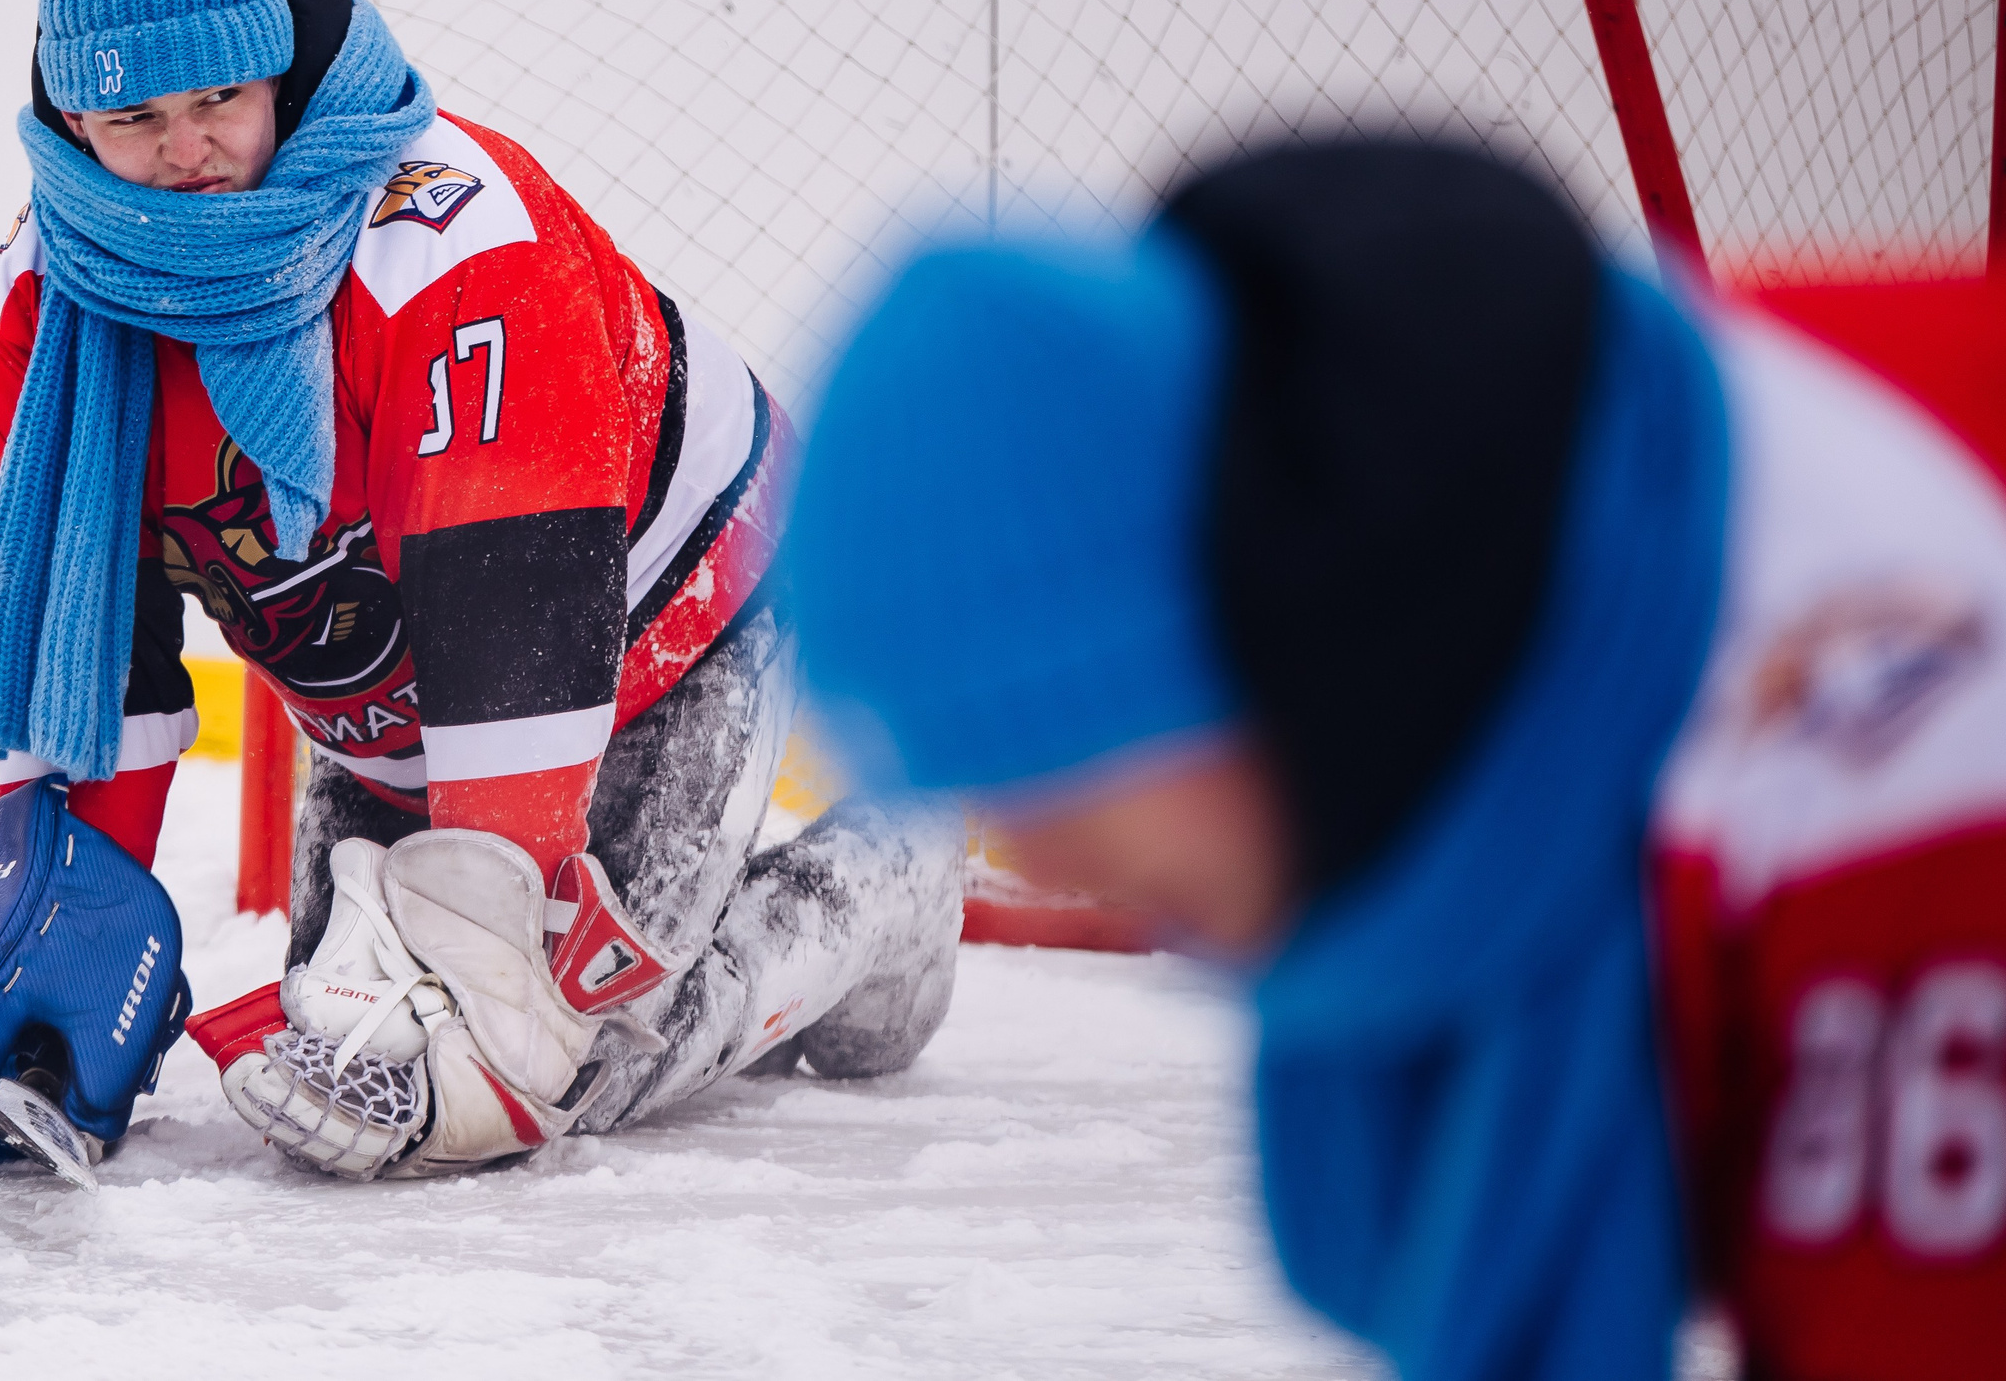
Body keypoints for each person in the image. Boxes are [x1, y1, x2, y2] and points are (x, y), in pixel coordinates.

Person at [0, 0, 960, 1182]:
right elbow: (91, 653)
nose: (187, 151)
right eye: (135, 116)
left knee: (560, 1059)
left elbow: (525, 623)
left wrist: (492, 951)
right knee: (346, 1041)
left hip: (671, 617)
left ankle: (877, 878)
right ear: (66, 117)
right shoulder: (41, 305)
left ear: (283, 71)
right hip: (389, 683)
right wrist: (61, 928)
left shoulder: (460, 247)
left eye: (220, 96)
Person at [780, 139, 2006, 1381]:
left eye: (1044, 766)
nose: (1036, 850)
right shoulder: (1507, 719)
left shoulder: (1888, 771)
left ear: (1206, 640)